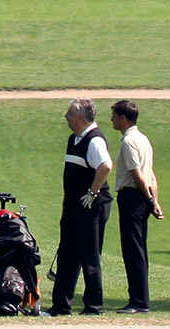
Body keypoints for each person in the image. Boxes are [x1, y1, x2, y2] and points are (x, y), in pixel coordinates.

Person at [49, 98, 112, 316]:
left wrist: (93, 192)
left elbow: (105, 166)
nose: (66, 116)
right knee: (67, 253)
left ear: (80, 117)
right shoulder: (74, 139)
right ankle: (60, 306)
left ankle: (94, 306)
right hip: (74, 208)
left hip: (91, 207)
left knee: (89, 256)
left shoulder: (94, 140)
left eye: (69, 113)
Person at [111, 100, 163, 314]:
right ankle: (140, 298)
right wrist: (154, 200)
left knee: (133, 250)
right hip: (143, 197)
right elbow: (151, 175)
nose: (112, 120)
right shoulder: (143, 139)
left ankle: (139, 301)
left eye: (114, 116)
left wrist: (150, 200)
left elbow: (138, 175)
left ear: (124, 118)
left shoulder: (129, 142)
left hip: (133, 197)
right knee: (138, 248)